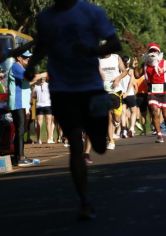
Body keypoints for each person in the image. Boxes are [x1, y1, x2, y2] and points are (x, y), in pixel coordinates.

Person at [24, 0, 123, 220]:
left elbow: (116, 44)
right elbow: (42, 46)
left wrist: (92, 50)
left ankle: (100, 132)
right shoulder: (45, 18)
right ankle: (84, 201)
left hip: (91, 88)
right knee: (76, 145)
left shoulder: (91, 12)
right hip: (62, 90)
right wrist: (31, 67)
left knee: (99, 145)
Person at [133, 42, 166, 143]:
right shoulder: (145, 65)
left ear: (158, 52)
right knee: (154, 111)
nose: (153, 53)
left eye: (155, 51)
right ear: (148, 53)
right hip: (152, 93)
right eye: (151, 51)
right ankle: (159, 134)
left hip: (165, 92)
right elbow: (136, 76)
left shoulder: (164, 62)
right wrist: (135, 66)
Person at [7, 50, 35, 167]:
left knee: (21, 129)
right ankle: (20, 158)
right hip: (17, 103)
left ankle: (18, 156)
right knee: (20, 130)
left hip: (21, 103)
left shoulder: (20, 68)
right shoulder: (16, 67)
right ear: (19, 58)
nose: (28, 60)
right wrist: (44, 74)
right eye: (26, 58)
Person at [99, 51, 126, 150]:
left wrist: (118, 79)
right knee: (109, 116)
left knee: (116, 118)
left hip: (116, 90)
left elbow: (124, 71)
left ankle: (117, 121)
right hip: (104, 91)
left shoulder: (116, 57)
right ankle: (111, 141)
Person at [32, 73, 55, 144]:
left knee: (47, 122)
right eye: (41, 78)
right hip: (41, 106)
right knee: (40, 123)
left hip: (46, 105)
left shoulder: (47, 85)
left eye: (43, 78)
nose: (42, 79)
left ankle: (47, 139)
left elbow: (34, 96)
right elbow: (33, 96)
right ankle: (40, 139)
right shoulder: (36, 86)